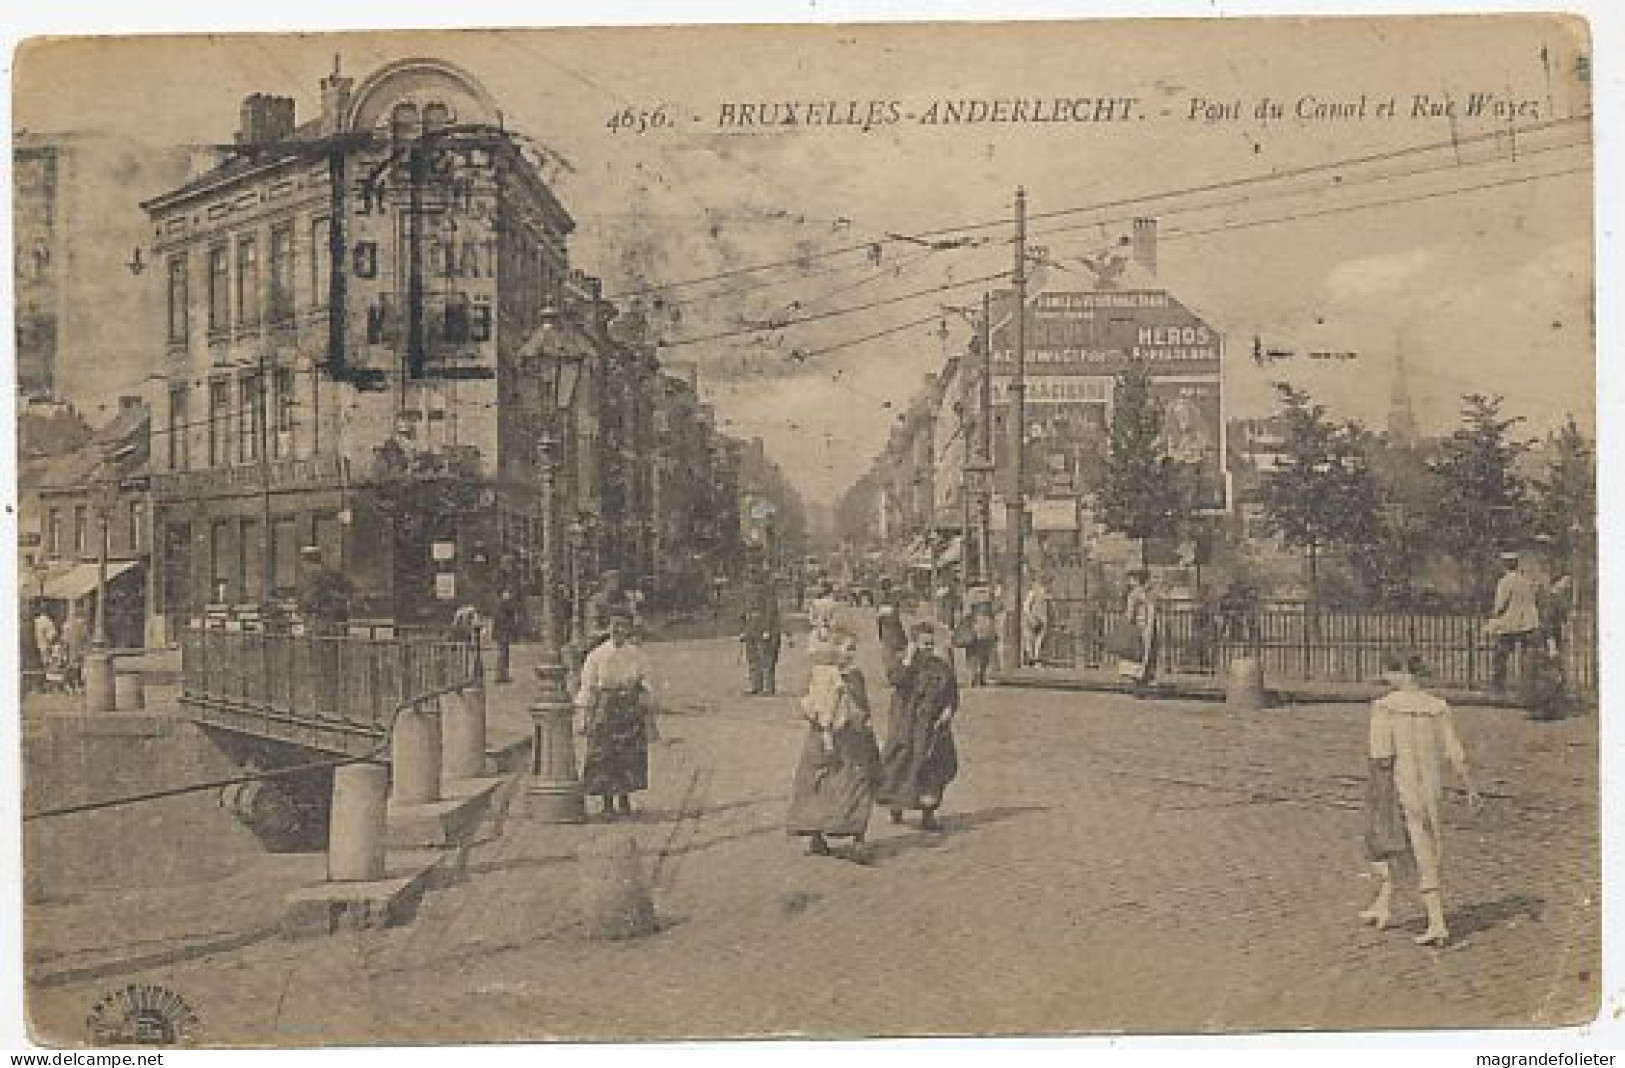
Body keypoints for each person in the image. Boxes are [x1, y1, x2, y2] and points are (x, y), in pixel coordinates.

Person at [1359, 653, 1481, 947]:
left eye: (1390, 672)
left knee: (1408, 843)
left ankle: (1437, 921)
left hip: (1399, 783)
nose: (1387, 678)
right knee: (1416, 841)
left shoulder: (1384, 707)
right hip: (1430, 786)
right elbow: (1455, 752)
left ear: (1403, 673)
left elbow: (1381, 755)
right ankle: (1383, 906)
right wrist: (1469, 786)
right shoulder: (1437, 707)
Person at [788, 625, 881, 860]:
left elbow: (862, 704)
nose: (850, 654)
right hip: (827, 736)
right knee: (820, 783)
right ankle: (816, 834)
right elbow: (812, 705)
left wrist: (866, 721)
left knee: (858, 783)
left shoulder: (854, 675)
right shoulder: (823, 676)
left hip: (856, 737)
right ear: (833, 649)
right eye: (846, 649)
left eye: (853, 650)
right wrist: (824, 726)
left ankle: (858, 838)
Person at [877, 621, 960, 831]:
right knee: (900, 765)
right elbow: (896, 679)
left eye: (931, 644)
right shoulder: (905, 665)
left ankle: (928, 814)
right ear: (913, 644)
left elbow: (951, 690)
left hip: (933, 727)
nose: (929, 649)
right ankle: (896, 806)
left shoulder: (940, 666)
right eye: (924, 644)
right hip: (907, 726)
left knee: (933, 768)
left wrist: (949, 709)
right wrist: (907, 659)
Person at [575, 610, 652, 819]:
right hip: (605, 708)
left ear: (629, 629)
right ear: (608, 628)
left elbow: (647, 680)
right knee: (604, 754)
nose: (618, 630)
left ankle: (624, 800)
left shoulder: (636, 654)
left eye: (623, 625)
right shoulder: (597, 655)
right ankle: (607, 803)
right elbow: (588, 686)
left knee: (629, 754)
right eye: (614, 625)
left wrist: (640, 689)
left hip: (628, 708)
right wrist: (584, 716)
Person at [1485, 551, 1540, 695]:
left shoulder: (1505, 581)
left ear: (1504, 565)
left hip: (1509, 623)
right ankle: (1526, 688)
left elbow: (1500, 605)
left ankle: (1498, 688)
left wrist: (1493, 617)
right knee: (1525, 657)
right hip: (1528, 623)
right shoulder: (1526, 580)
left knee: (1500, 656)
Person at [740, 562, 782, 696]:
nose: (751, 577)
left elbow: (771, 611)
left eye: (753, 574)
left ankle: (768, 687)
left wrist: (767, 629)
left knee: (766, 657)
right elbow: (744, 612)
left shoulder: (767, 591)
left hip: (763, 626)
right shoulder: (747, 591)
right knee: (752, 657)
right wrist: (743, 629)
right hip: (750, 626)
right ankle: (755, 685)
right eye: (749, 574)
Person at [1123, 569, 1160, 696]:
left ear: (1136, 580)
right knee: (1147, 655)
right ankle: (1143, 684)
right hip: (1150, 627)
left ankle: (1138, 686)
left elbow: (1129, 615)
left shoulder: (1134, 594)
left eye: (1131, 579)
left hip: (1139, 627)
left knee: (1137, 655)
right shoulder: (1149, 594)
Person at [964, 590, 998, 687]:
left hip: (979, 625)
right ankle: (977, 677)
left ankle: (975, 677)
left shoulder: (971, 594)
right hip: (983, 625)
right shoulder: (988, 594)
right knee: (981, 654)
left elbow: (966, 612)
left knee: (977, 654)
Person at [1022, 574, 1050, 667]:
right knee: (1030, 639)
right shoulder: (1033, 592)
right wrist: (1030, 617)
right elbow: (1026, 606)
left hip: (1042, 619)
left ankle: (1036, 659)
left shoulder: (1046, 593)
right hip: (1033, 618)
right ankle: (1031, 659)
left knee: (1039, 641)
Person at [61, 607, 89, 695]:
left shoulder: (67, 625)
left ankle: (69, 685)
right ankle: (76, 686)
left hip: (70, 649)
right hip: (78, 650)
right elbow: (86, 638)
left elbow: (65, 640)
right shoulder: (83, 625)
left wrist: (64, 651)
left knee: (70, 667)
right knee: (76, 668)